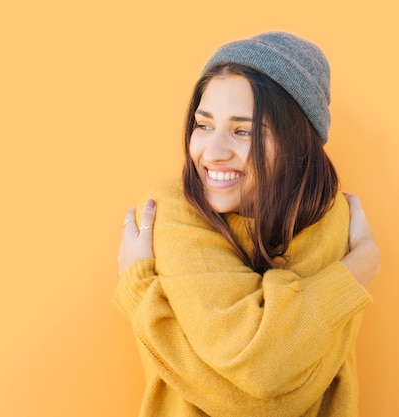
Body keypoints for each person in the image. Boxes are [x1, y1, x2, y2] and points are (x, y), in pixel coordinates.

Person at [113, 31, 381, 417]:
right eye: (203, 125)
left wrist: (144, 302)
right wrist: (359, 268)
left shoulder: (329, 220)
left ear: (296, 144)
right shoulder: (170, 211)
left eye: (244, 131)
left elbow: (270, 383)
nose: (214, 153)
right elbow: (266, 383)